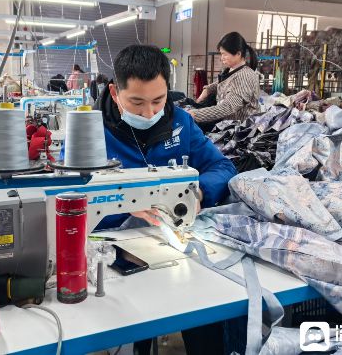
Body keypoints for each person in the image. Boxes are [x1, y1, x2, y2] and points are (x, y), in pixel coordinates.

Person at [92, 45, 237, 354]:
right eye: (137, 102)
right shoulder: (90, 132)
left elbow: (223, 167)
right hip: (113, 253)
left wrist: (198, 192)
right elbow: (72, 198)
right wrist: (128, 203)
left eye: (158, 100)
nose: (149, 113)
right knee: (127, 321)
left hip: (168, 242)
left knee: (206, 309)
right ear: (115, 93)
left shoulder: (180, 122)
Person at [188, 32, 260, 129]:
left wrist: (194, 114)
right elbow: (223, 82)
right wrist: (207, 89)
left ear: (238, 54)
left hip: (240, 130)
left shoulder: (245, 76)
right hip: (227, 124)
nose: (221, 58)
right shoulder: (232, 70)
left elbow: (228, 107)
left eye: (224, 54)